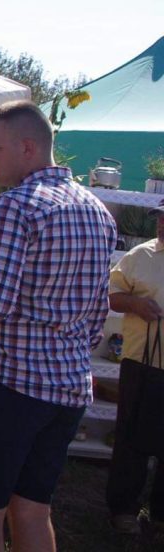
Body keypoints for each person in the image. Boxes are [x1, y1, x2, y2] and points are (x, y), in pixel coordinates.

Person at [0, 100, 117, 552]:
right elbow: (98, 311)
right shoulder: (97, 211)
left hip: (8, 386)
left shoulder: (14, 206)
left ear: (28, 148)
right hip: (68, 387)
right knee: (33, 509)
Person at [105, 199, 164, 535]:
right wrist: (136, 304)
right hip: (142, 362)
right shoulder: (140, 255)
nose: (162, 224)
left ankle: (160, 514)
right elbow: (110, 296)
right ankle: (123, 508)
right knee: (131, 438)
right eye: (161, 218)